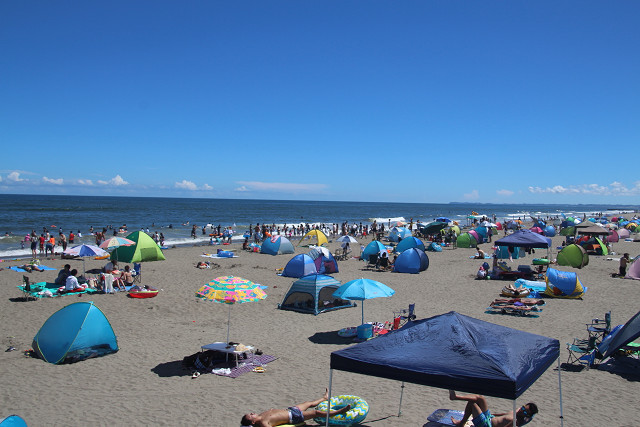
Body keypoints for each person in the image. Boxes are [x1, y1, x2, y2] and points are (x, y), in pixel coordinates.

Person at [240, 388, 350, 427]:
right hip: (294, 417)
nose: (251, 413)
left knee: (309, 403)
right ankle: (338, 412)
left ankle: (324, 398)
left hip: (291, 410)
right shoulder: (263, 423)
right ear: (253, 422)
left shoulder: (260, 415)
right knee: (315, 412)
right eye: (250, 415)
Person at [448, 390, 537, 427]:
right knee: (480, 398)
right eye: (523, 407)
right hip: (490, 417)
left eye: (525, 411)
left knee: (473, 403)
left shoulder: (516, 422)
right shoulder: (517, 411)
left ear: (527, 415)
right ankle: (455, 397)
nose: (522, 410)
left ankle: (461, 423)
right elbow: (504, 415)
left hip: (486, 425)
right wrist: (493, 414)